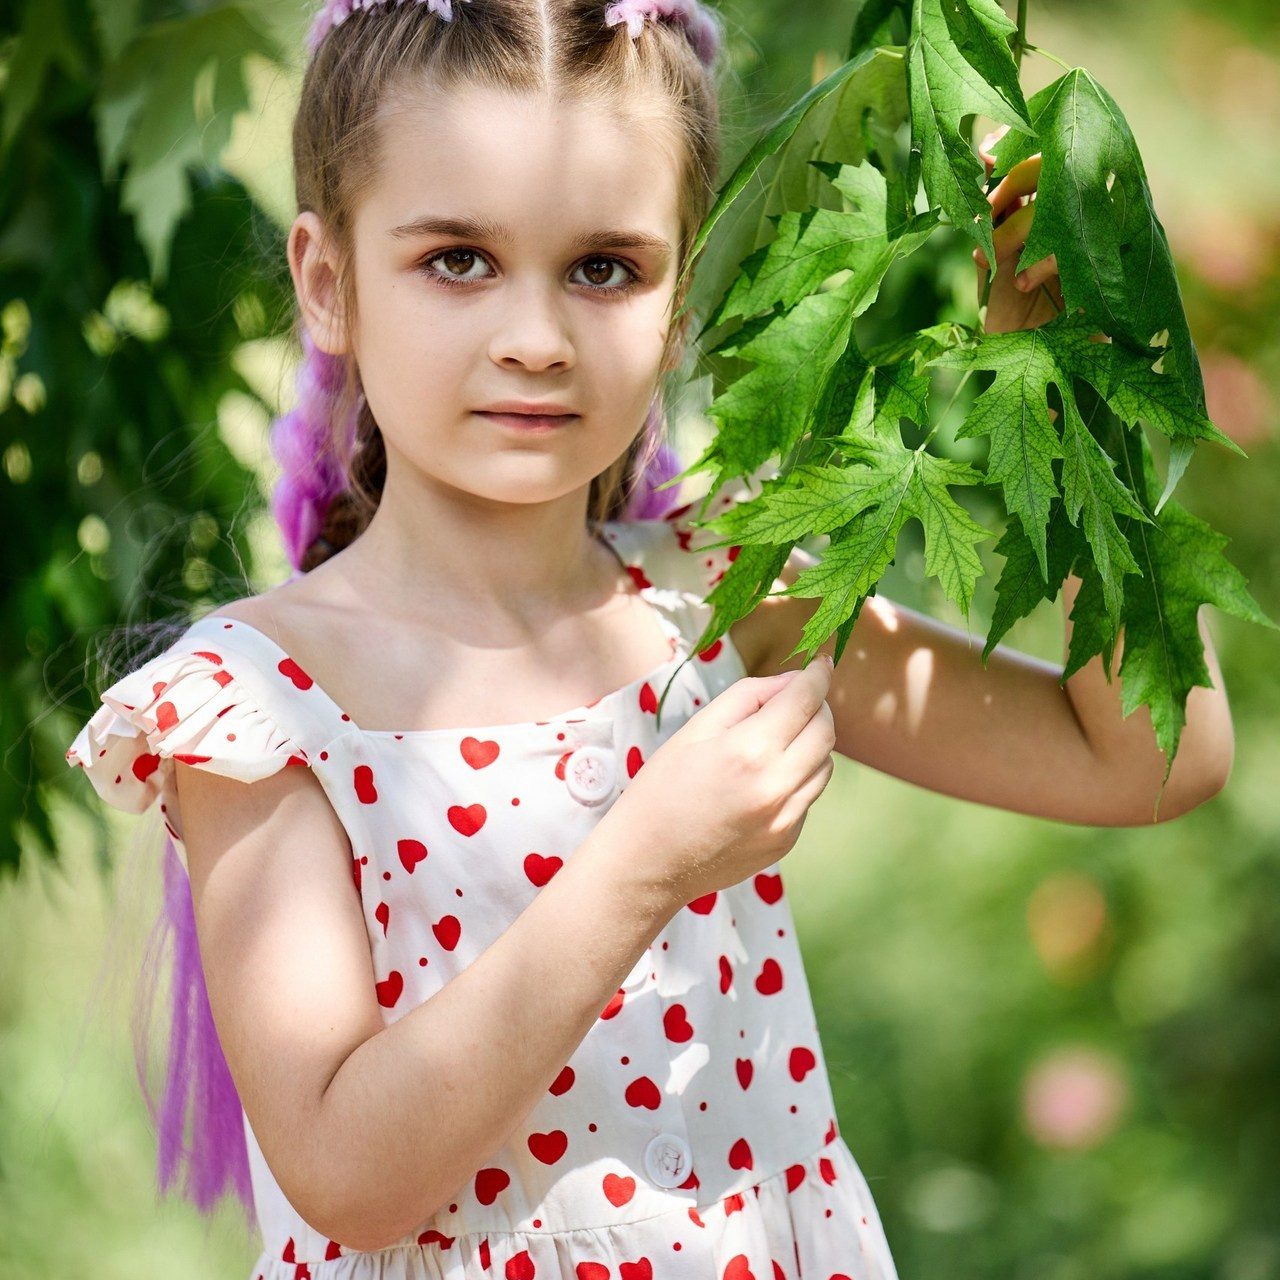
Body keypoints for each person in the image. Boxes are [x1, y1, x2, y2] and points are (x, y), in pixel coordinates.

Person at [66, 0, 1236, 1276]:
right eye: (457, 258)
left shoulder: (725, 591)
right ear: (328, 282)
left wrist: (1067, 394)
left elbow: (1144, 758)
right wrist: (646, 858)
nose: (535, 337)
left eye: (604, 267)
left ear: (680, 299)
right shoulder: (258, 701)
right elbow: (349, 1171)